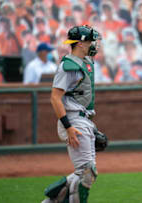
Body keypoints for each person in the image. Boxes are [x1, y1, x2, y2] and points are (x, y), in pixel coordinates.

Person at [41, 25, 105, 203]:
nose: (94, 44)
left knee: (87, 172)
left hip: (82, 119)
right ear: (81, 44)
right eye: (91, 41)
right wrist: (69, 127)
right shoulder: (68, 66)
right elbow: (55, 98)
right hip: (73, 120)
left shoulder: (85, 61)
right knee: (86, 173)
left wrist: (89, 126)